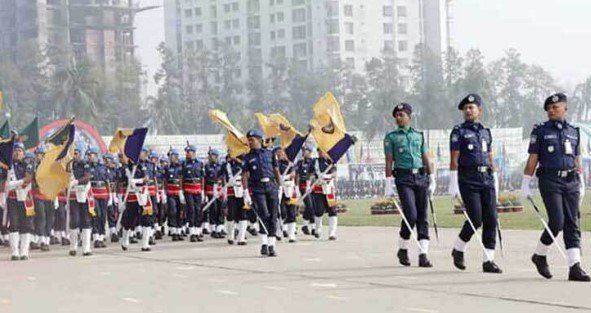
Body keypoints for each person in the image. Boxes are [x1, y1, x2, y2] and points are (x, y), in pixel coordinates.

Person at [521, 92, 590, 282]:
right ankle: (539, 254)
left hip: (571, 180)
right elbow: (533, 158)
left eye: (555, 107)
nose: (551, 110)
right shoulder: (541, 131)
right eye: (549, 108)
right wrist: (525, 183)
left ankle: (574, 266)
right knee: (557, 221)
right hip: (550, 180)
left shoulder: (574, 131)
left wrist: (581, 179)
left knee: (572, 222)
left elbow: (576, 158)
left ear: (565, 108)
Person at [448, 94, 502, 273]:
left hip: (486, 177)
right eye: (466, 108)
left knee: (491, 219)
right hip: (468, 178)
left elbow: (490, 155)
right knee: (476, 218)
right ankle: (459, 248)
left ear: (479, 110)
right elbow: (454, 158)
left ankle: (488, 260)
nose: (468, 110)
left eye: (472, 107)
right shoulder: (459, 131)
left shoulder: (486, 131)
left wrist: (495, 175)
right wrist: (453, 182)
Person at [383, 102, 435, 267]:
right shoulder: (391, 137)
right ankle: (403, 247)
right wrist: (388, 182)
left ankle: (423, 254)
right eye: (397, 116)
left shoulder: (418, 135)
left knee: (422, 216)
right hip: (403, 179)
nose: (399, 118)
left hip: (420, 177)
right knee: (411, 215)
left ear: (409, 117)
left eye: (402, 115)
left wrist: (432, 176)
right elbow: (389, 161)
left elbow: (425, 156)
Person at [242, 129, 282, 257]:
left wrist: (280, 187)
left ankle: (271, 245)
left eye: (252, 140)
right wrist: (245, 192)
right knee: (263, 214)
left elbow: (276, 171)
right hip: (257, 188)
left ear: (259, 140)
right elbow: (244, 176)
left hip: (271, 187)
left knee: (273, 216)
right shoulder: (248, 157)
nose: (250, 142)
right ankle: (264, 243)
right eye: (249, 140)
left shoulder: (270, 154)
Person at [6, 142, 35, 260]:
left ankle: (24, 251)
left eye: (19, 150)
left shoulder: (27, 164)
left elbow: (28, 179)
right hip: (12, 198)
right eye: (15, 150)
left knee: (26, 225)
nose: (17, 153)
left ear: (23, 152)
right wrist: (15, 184)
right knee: (13, 223)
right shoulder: (8, 165)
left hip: (25, 198)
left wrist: (14, 183)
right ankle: (15, 252)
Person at [68, 143, 93, 257]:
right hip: (73, 195)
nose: (74, 155)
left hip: (84, 194)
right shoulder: (69, 165)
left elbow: (87, 177)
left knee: (86, 220)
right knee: (75, 220)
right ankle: (73, 246)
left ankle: (86, 248)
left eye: (76, 153)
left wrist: (77, 181)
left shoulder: (85, 164)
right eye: (73, 152)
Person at [311, 149, 339, 241]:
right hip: (318, 189)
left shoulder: (331, 161)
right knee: (319, 211)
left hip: (329, 189)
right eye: (319, 151)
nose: (321, 153)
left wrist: (328, 176)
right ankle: (318, 229)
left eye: (322, 151)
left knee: (332, 211)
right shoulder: (315, 162)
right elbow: (310, 174)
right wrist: (310, 183)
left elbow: (334, 173)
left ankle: (332, 233)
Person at [182, 145, 205, 242]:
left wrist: (203, 190)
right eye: (186, 152)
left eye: (189, 152)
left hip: (198, 190)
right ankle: (192, 233)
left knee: (198, 210)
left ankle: (197, 231)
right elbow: (181, 178)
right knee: (191, 210)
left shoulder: (200, 164)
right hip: (188, 190)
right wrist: (180, 191)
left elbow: (202, 178)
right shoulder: (184, 164)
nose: (187, 154)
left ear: (194, 152)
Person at [223, 153, 247, 245]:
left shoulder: (244, 162)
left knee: (243, 214)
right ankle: (231, 235)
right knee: (231, 214)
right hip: (231, 190)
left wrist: (239, 161)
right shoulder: (227, 164)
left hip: (243, 190)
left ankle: (241, 237)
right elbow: (220, 175)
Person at [87, 146, 109, 248]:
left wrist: (110, 196)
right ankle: (96, 237)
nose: (89, 157)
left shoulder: (103, 167)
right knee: (96, 215)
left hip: (103, 194)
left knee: (103, 216)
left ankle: (101, 236)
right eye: (88, 155)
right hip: (93, 194)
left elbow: (107, 182)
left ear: (96, 155)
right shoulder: (87, 167)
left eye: (90, 155)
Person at [295, 144, 316, 236]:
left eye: (306, 150)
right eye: (303, 150)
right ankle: (311, 226)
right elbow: (297, 175)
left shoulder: (313, 162)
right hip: (302, 186)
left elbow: (311, 174)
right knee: (309, 205)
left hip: (311, 186)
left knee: (311, 206)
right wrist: (296, 187)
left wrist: (310, 184)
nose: (304, 152)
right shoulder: (300, 162)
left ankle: (306, 225)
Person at [164, 149, 184, 241]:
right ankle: (173, 230)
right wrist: (164, 192)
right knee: (172, 210)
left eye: (172, 156)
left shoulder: (181, 167)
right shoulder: (167, 167)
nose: (171, 158)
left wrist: (181, 191)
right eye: (170, 156)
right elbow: (165, 181)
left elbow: (182, 179)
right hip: (170, 192)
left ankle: (179, 230)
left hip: (179, 192)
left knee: (180, 211)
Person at [204, 149, 225, 238]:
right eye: (209, 155)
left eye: (211, 155)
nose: (209, 157)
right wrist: (204, 193)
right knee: (213, 208)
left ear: (216, 156)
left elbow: (224, 178)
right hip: (211, 188)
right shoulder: (207, 166)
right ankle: (213, 229)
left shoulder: (221, 166)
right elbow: (204, 179)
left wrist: (224, 190)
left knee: (221, 209)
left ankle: (219, 228)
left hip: (220, 189)